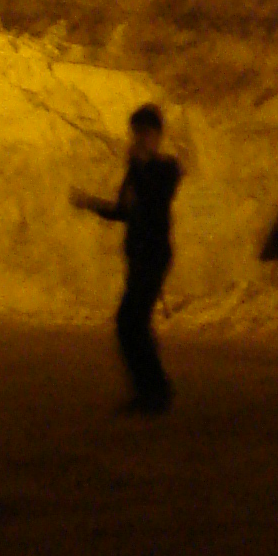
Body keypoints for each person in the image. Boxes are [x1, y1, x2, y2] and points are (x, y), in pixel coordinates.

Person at [71, 103, 181, 414]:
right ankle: (152, 390)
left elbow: (156, 200)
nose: (139, 138)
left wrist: (141, 167)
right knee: (133, 323)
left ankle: (154, 391)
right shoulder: (136, 169)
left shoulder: (166, 168)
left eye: (145, 132)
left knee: (130, 322)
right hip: (139, 253)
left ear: (157, 135)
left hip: (154, 253)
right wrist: (91, 203)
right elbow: (125, 210)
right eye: (136, 133)